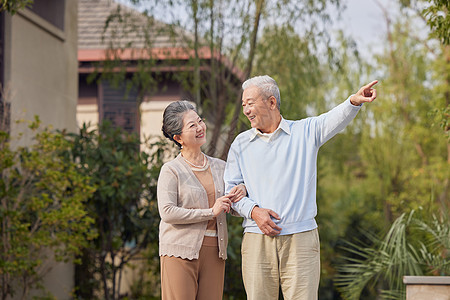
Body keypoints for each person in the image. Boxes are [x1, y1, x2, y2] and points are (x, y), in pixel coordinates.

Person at [224, 75, 378, 300]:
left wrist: (353, 102)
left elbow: (331, 119)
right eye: (243, 105)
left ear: (272, 102)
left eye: (250, 103)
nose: (245, 110)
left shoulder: (304, 132)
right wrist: (254, 212)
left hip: (301, 238)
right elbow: (232, 191)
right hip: (257, 239)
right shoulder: (240, 144)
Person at [157, 100, 246, 300]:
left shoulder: (221, 167)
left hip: (215, 251)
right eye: (192, 125)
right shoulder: (171, 170)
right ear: (178, 137)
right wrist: (210, 212)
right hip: (178, 252)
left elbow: (233, 207)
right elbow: (167, 212)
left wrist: (242, 190)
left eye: (200, 121)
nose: (200, 128)